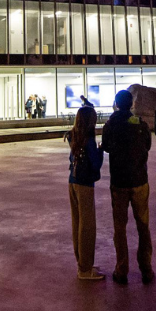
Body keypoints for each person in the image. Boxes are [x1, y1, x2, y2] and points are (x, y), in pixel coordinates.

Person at [101, 90, 154, 285]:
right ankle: (146, 268)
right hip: (140, 180)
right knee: (143, 225)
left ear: (116, 104)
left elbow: (106, 147)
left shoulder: (111, 125)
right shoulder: (140, 124)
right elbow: (147, 146)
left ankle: (121, 269)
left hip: (119, 182)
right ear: (131, 104)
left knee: (120, 227)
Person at [65, 106, 105, 280]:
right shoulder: (88, 139)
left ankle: (82, 262)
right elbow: (95, 164)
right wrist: (101, 150)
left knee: (77, 223)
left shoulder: (73, 135)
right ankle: (85, 269)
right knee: (87, 226)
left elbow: (71, 158)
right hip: (85, 184)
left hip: (72, 182)